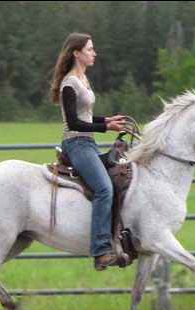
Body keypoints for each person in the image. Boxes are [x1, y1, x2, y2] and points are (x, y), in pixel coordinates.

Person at [50, 32, 126, 269]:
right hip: (76, 144)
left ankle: (121, 236)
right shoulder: (69, 83)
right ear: (76, 52)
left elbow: (85, 116)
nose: (94, 53)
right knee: (103, 188)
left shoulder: (83, 80)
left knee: (119, 178)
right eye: (90, 49)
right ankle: (101, 250)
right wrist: (106, 126)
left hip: (89, 143)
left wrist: (107, 119)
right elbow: (74, 122)